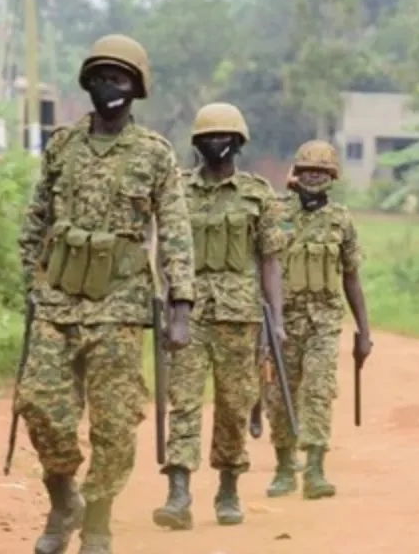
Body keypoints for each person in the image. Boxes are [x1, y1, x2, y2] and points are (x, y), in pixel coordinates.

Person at [16, 34, 195, 554]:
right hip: (58, 299)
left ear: (136, 87)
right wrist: (32, 282)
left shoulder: (154, 154)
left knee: (115, 422)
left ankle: (97, 520)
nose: (107, 86)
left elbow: (176, 230)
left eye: (117, 78)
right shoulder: (62, 146)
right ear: (86, 84)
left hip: (120, 304)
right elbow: (37, 218)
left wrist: (180, 306)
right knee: (38, 404)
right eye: (98, 78)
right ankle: (63, 497)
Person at [152, 102, 285, 530]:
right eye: (207, 137)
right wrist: (166, 301)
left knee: (234, 403)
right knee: (184, 400)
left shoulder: (258, 194)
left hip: (239, 316)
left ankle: (228, 488)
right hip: (187, 313)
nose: (215, 143)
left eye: (223, 136)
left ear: (238, 142)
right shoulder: (177, 191)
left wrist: (277, 319)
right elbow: (163, 250)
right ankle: (178, 492)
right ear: (196, 143)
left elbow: (270, 261)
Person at [263, 139, 372, 501]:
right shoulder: (275, 214)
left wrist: (364, 331)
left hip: (324, 322)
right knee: (279, 395)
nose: (313, 177)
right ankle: (284, 467)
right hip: (283, 322)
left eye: (321, 172)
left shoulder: (341, 220)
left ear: (332, 177)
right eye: (307, 171)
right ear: (296, 174)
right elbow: (261, 267)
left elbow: (351, 277)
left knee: (318, 390)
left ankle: (314, 469)